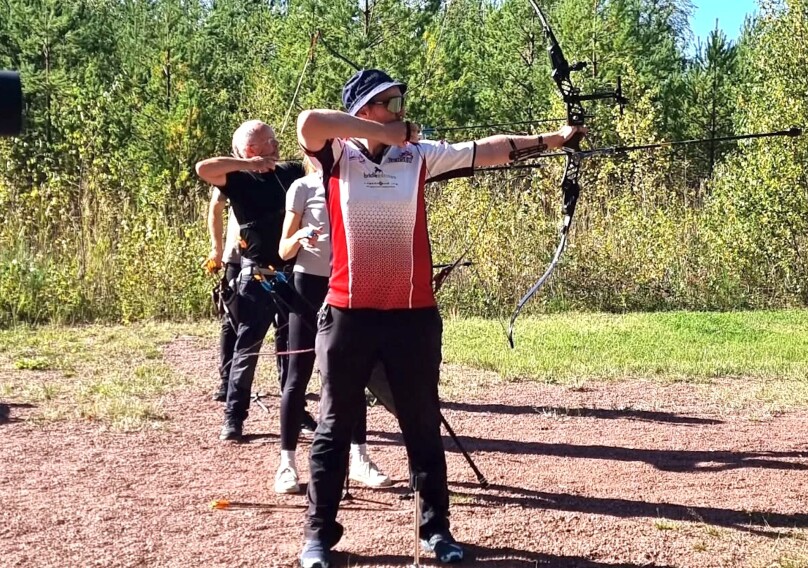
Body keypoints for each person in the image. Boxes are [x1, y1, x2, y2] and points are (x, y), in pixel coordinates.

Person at [295, 68, 584, 568]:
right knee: (334, 426)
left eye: (402, 103)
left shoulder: (419, 156)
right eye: (392, 103)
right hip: (348, 313)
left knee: (422, 423)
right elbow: (309, 123)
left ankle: (436, 529)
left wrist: (553, 140)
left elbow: (487, 149)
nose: (402, 111)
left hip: (412, 317)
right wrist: (384, 134)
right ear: (365, 110)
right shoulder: (339, 155)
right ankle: (319, 535)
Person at [274, 156, 392, 494]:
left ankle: (359, 458)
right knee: (297, 374)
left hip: (348, 284)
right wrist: (301, 236)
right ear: (307, 151)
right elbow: (283, 251)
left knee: (351, 373)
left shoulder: (359, 181)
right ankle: (287, 464)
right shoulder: (302, 187)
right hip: (307, 285)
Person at [195, 119, 304, 442]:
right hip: (257, 276)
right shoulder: (238, 179)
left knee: (292, 349)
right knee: (247, 347)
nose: (277, 145)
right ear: (253, 149)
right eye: (270, 141)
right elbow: (203, 168)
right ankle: (234, 416)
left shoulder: (291, 172)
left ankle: (294, 412)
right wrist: (248, 165)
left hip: (291, 274)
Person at [206, 202, 242, 403]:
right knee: (231, 319)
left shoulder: (290, 170)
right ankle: (227, 380)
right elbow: (215, 206)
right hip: (236, 255)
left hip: (277, 256)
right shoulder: (232, 170)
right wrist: (216, 249)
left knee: (284, 323)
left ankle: (287, 382)